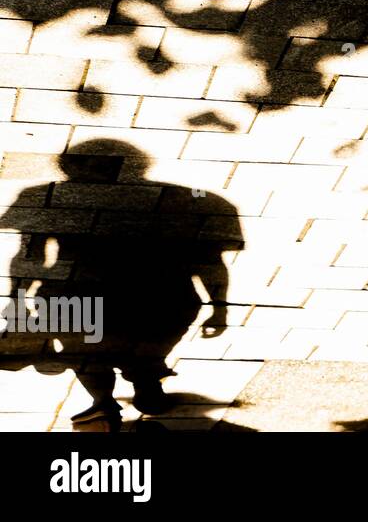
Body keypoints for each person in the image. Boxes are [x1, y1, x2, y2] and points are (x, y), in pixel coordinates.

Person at [0, 140, 243, 431]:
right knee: (146, 351)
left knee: (88, 356)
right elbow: (209, 261)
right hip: (163, 295)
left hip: (80, 294)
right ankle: (145, 390)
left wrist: (18, 298)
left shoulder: (44, 195)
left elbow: (30, 255)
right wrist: (219, 308)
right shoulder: (186, 199)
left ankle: (104, 405)